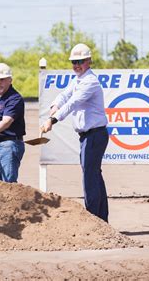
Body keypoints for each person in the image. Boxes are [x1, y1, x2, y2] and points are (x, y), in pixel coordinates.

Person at [41, 43, 109, 222]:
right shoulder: (78, 79)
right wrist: (54, 106)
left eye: (80, 61)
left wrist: (53, 119)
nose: (76, 65)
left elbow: (73, 103)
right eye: (74, 62)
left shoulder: (90, 81)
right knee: (94, 175)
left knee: (90, 177)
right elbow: (64, 95)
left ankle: (94, 219)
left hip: (94, 135)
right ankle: (101, 220)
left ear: (89, 61)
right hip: (89, 137)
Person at [0, 63, 26, 183]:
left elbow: (6, 122)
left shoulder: (14, 98)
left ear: (10, 80)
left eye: (2, 80)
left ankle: (15, 203)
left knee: (8, 184)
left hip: (10, 145)